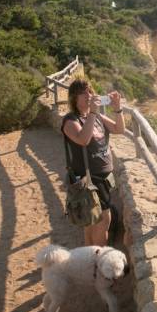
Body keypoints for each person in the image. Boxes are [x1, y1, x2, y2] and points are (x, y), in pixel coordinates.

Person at [61, 79, 125, 246]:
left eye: (90, 91)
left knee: (92, 221)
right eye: (83, 93)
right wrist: (93, 114)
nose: (89, 96)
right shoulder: (70, 121)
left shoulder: (96, 117)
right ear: (74, 98)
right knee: (103, 220)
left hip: (103, 178)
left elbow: (119, 129)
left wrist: (117, 108)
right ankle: (99, 259)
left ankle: (91, 259)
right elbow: (83, 139)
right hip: (89, 179)